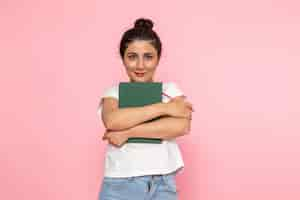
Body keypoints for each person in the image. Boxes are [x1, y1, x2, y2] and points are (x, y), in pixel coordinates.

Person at [97, 17, 194, 200]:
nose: (140, 65)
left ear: (158, 58)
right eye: (132, 57)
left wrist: (127, 133)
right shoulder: (113, 93)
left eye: (148, 57)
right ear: (123, 58)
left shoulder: (170, 90)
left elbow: (181, 127)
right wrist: (163, 108)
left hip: (163, 184)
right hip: (120, 183)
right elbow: (113, 120)